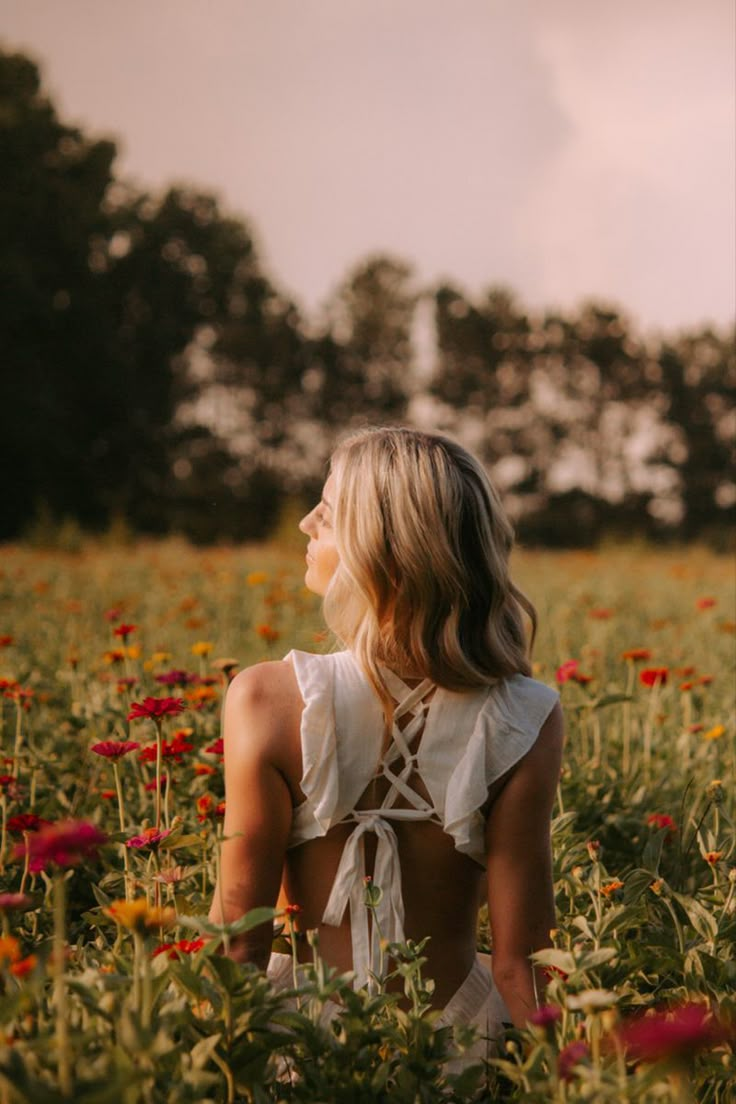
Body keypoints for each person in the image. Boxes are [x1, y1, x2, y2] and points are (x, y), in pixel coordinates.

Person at [208, 426, 564, 1058]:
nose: (304, 524)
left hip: (313, 1048)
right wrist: (567, 1081)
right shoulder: (525, 715)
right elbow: (521, 964)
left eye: (327, 511)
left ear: (382, 549)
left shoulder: (264, 699)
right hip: (459, 1049)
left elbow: (240, 943)